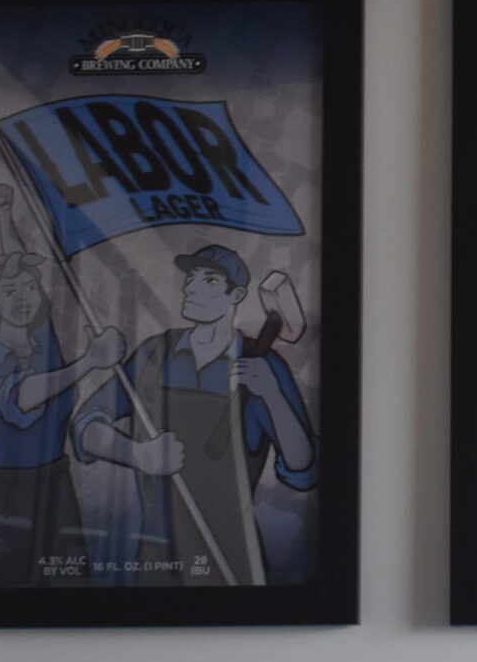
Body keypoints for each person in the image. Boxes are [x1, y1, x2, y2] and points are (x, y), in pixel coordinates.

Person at [72, 243, 317, 585]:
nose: (192, 287)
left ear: (238, 295)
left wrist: (273, 396)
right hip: (157, 558)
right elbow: (84, 426)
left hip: (231, 560)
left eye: (210, 281)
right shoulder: (155, 356)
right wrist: (136, 454)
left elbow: (303, 468)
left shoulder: (263, 367)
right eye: (191, 278)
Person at [0, 182, 124, 585]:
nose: (23, 297)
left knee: (69, 590)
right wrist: (90, 361)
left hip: (58, 488)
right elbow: (21, 396)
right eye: (9, 291)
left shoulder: (43, 346)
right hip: (8, 494)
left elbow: (13, 261)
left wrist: (3, 215)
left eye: (28, 288)